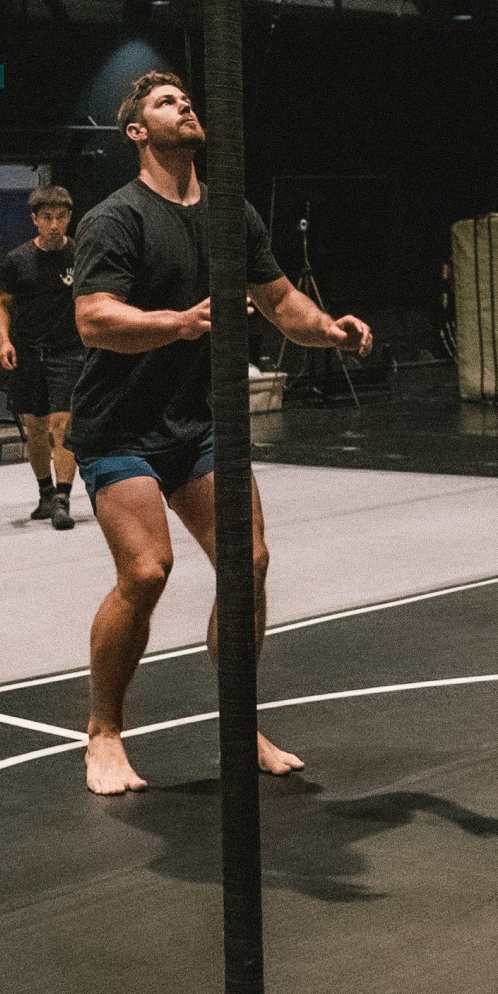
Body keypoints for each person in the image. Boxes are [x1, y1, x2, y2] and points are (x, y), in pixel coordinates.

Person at [70, 69, 375, 799]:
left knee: (250, 562)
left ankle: (239, 723)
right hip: (120, 427)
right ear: (137, 132)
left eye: (186, 99)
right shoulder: (115, 218)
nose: (185, 107)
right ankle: (103, 733)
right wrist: (178, 324)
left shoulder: (231, 215)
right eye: (166, 102)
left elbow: (280, 301)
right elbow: (94, 319)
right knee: (147, 572)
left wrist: (328, 330)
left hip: (200, 425)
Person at [0, 187, 83, 530]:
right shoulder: (17, 260)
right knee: (35, 427)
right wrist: (4, 342)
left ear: (69, 218)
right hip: (29, 352)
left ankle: (63, 498)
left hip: (68, 352)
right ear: (34, 219)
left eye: (61, 217)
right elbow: (1, 303)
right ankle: (45, 493)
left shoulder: (80, 254)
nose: (54, 224)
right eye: (47, 218)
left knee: (63, 425)